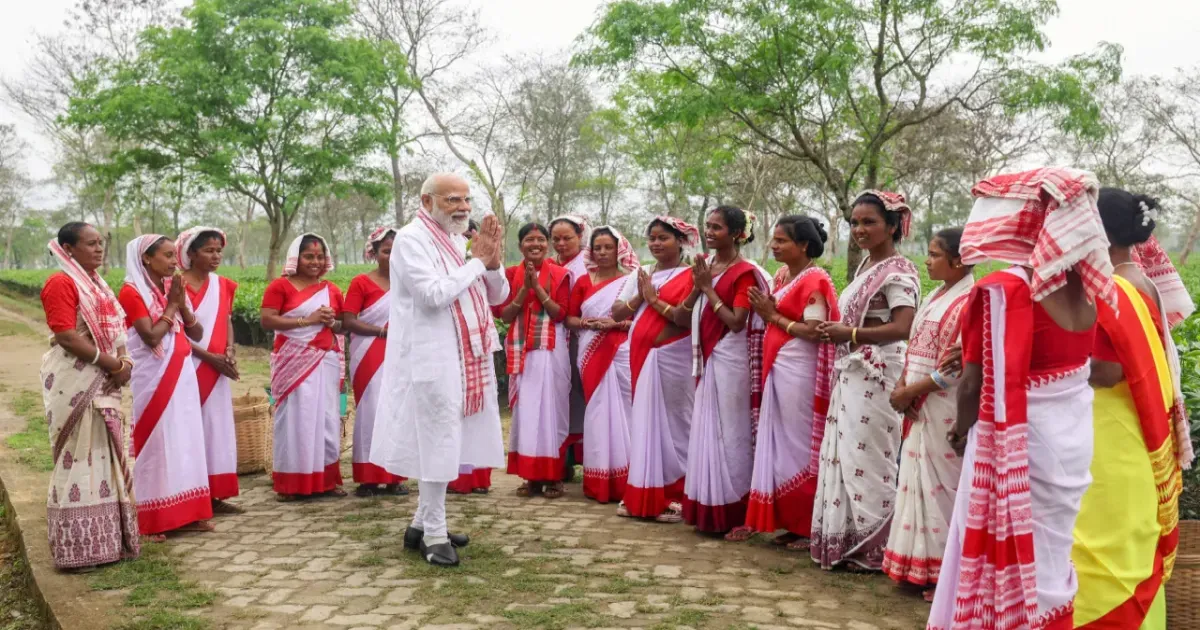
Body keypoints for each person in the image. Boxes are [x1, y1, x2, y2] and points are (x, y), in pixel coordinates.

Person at [928, 167, 1111, 630]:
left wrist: (961, 429)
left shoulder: (1003, 290)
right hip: (1071, 439)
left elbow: (971, 383)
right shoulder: (1087, 286)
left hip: (1020, 438)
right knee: (1050, 553)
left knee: (1007, 546)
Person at [369, 172, 508, 567]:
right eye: (452, 200)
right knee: (437, 441)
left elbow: (498, 296)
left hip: (464, 356)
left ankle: (420, 524)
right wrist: (477, 263)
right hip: (429, 357)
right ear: (427, 201)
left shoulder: (456, 239)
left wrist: (492, 264)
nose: (463, 207)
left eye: (466, 199)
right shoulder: (412, 239)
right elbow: (432, 296)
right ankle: (432, 535)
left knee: (446, 439)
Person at [1071, 189, 1182, 629]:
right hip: (1128, 432)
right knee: (1126, 551)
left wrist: (1047, 362)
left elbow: (1109, 370)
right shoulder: (1140, 279)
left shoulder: (1116, 288)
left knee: (1103, 551)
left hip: (1112, 435)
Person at [811, 191, 919, 571]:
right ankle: (852, 543)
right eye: (855, 222)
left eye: (869, 222)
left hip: (878, 373)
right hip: (855, 371)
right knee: (848, 454)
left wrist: (851, 335)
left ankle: (880, 547)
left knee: (872, 456)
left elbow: (903, 326)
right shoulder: (865, 268)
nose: (859, 229)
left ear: (892, 226)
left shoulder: (899, 270)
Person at [39, 223, 140, 569]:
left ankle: (108, 542)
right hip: (75, 380)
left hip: (103, 378)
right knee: (77, 455)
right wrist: (112, 363)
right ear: (68, 249)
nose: (99, 249)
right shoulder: (61, 282)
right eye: (90, 244)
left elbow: (115, 333)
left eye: (101, 243)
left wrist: (122, 363)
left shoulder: (98, 286)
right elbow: (67, 336)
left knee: (103, 454)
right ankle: (77, 549)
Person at [734, 216, 838, 550]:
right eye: (773, 240)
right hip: (778, 366)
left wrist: (773, 317)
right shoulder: (782, 276)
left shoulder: (816, 279)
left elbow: (814, 330)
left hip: (800, 369)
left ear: (804, 245)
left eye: (781, 241)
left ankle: (806, 524)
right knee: (779, 443)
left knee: (799, 444)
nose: (773, 245)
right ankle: (787, 521)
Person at [882, 228, 974, 599]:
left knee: (942, 488)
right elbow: (915, 346)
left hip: (943, 404)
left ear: (958, 260)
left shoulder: (969, 300)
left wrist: (911, 391)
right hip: (918, 401)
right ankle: (916, 565)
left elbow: (956, 366)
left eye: (935, 254)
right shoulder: (937, 295)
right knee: (916, 481)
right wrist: (903, 382)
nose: (927, 259)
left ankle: (944, 574)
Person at [679, 206, 770, 534]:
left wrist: (707, 287)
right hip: (708, 357)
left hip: (730, 358)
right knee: (708, 430)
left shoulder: (743, 272)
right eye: (708, 226)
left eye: (717, 227)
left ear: (736, 234)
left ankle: (736, 511)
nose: (709, 232)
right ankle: (709, 505)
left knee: (731, 432)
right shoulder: (708, 266)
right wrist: (698, 286)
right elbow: (683, 313)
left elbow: (736, 321)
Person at [118, 234, 214, 540]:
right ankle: (155, 518)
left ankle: (192, 512)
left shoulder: (171, 288)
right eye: (168, 256)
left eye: (175, 256)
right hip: (154, 378)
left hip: (182, 373)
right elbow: (151, 336)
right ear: (146, 258)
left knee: (187, 439)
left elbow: (196, 332)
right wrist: (172, 305)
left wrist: (181, 305)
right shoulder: (131, 292)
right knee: (159, 443)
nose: (175, 262)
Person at [611, 216, 699, 522]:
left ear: (681, 241)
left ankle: (677, 493)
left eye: (664, 238)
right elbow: (617, 311)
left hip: (673, 357)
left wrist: (653, 298)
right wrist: (640, 295)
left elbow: (684, 319)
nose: (656, 243)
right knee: (646, 421)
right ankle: (646, 491)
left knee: (676, 423)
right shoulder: (642, 273)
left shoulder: (691, 276)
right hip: (641, 355)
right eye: (652, 238)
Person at [260, 233, 346, 501]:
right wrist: (307, 321)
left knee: (327, 418)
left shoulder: (331, 290)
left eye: (320, 257)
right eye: (309, 256)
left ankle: (326, 481)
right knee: (296, 420)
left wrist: (332, 323)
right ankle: (291, 484)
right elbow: (267, 320)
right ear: (296, 258)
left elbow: (343, 325)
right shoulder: (280, 287)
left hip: (325, 359)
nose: (315, 262)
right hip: (293, 361)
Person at [495, 222, 572, 498]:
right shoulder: (509, 274)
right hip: (521, 352)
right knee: (527, 413)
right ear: (520, 246)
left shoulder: (561, 275)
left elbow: (560, 313)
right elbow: (504, 315)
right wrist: (522, 290)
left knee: (551, 412)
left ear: (548, 244)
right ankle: (532, 478)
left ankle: (554, 477)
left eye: (541, 239)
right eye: (529, 240)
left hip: (550, 351)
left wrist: (537, 288)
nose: (535, 244)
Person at [565, 226, 640, 503]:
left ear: (619, 249)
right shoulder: (584, 281)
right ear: (591, 250)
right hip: (590, 351)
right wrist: (588, 324)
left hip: (621, 350)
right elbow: (570, 318)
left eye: (609, 247)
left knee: (627, 412)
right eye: (598, 247)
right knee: (596, 411)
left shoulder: (631, 281)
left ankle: (628, 480)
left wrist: (615, 324)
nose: (604, 252)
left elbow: (639, 319)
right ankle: (599, 482)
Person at [176, 227, 242, 513]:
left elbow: (226, 319)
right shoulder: (176, 285)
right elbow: (177, 332)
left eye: (218, 251)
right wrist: (208, 357)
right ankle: (192, 494)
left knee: (217, 429)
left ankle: (216, 494)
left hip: (217, 369)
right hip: (186, 367)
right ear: (190, 253)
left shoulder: (223, 285)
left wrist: (228, 350)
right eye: (208, 250)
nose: (216, 256)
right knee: (190, 429)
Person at [342, 227, 408, 497]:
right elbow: (348, 320)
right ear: (374, 253)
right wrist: (382, 331)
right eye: (386, 251)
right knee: (371, 411)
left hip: (400, 352)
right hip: (369, 351)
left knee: (397, 410)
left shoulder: (408, 282)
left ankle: (395, 476)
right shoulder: (361, 282)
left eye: (397, 251)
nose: (392, 256)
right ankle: (368, 477)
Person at [451, 216, 492, 495]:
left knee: (480, 415)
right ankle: (454, 477)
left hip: (480, 346)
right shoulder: (440, 263)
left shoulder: (484, 263)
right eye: (461, 235)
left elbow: (500, 294)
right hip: (451, 344)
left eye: (471, 235)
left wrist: (492, 262)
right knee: (454, 413)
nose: (466, 240)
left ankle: (478, 477)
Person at [550, 215, 591, 483]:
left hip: (583, 339)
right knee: (562, 400)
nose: (561, 244)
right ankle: (563, 461)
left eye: (568, 238)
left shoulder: (590, 265)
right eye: (556, 239)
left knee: (585, 399)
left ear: (580, 237)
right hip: (556, 342)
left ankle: (590, 460)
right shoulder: (550, 265)